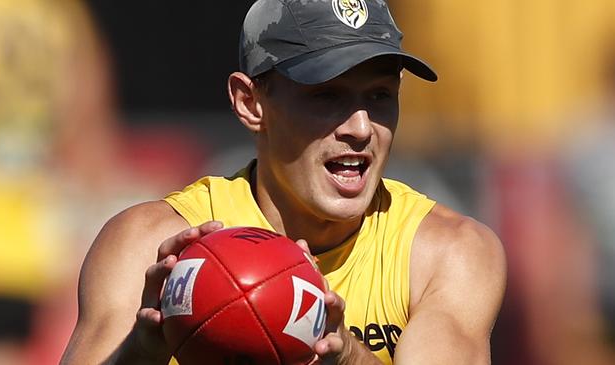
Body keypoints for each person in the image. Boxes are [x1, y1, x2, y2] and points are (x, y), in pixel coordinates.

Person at [61, 0, 506, 364]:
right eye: (326, 95)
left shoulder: (447, 253)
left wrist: (349, 356)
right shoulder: (152, 247)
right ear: (250, 103)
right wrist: (140, 352)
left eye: (379, 96)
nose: (361, 127)